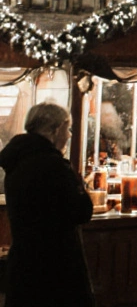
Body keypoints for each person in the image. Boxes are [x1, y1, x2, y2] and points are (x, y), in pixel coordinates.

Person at [0, 103, 94, 307]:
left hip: (24, 264)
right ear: (56, 129)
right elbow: (81, 211)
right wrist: (79, 185)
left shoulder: (16, 160)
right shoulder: (53, 166)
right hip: (55, 267)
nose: (69, 135)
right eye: (68, 129)